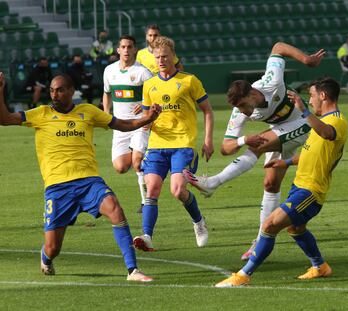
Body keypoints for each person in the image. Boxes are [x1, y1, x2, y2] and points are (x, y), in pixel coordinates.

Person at [0, 73, 162, 282]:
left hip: (88, 181)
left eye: (59, 90)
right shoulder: (40, 114)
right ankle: (46, 257)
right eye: (51, 90)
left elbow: (121, 124)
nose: (54, 94)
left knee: (115, 209)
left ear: (70, 92)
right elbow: (4, 119)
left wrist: (147, 118)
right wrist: (0, 89)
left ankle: (133, 270)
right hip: (58, 188)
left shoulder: (88, 111)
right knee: (53, 247)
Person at [184, 42, 325, 260]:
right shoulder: (240, 111)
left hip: (305, 125)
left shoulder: (273, 81)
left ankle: (213, 183)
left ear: (251, 93)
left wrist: (307, 60)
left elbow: (278, 47)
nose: (242, 112)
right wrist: (242, 139)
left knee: (260, 144)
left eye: (243, 106)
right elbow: (225, 147)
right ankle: (261, 240)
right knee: (270, 184)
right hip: (281, 130)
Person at [215, 77, 348, 287]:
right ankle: (320, 266)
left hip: (311, 191)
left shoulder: (335, 121)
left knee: (269, 225)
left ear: (323, 96)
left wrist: (304, 112)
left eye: (312, 96)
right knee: (295, 229)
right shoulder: (320, 122)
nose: (310, 100)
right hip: (300, 185)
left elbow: (327, 134)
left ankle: (243, 275)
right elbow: (310, 153)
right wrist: (285, 162)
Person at [133, 36, 214, 252]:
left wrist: (207, 140)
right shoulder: (149, 85)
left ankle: (199, 222)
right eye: (157, 57)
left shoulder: (189, 81)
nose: (160, 60)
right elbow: (146, 122)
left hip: (183, 143)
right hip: (157, 144)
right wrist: (146, 124)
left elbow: (207, 110)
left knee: (178, 191)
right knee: (152, 189)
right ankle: (147, 236)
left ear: (173, 57)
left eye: (165, 57)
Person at [103, 35, 153, 213]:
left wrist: (146, 105)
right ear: (118, 50)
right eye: (123, 47)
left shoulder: (143, 72)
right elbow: (107, 93)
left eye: (129, 47)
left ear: (135, 50)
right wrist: (105, 113)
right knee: (120, 167)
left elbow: (156, 93)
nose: (126, 50)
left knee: (137, 163)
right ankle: (151, 160)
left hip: (140, 124)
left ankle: (146, 201)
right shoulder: (109, 71)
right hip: (120, 126)